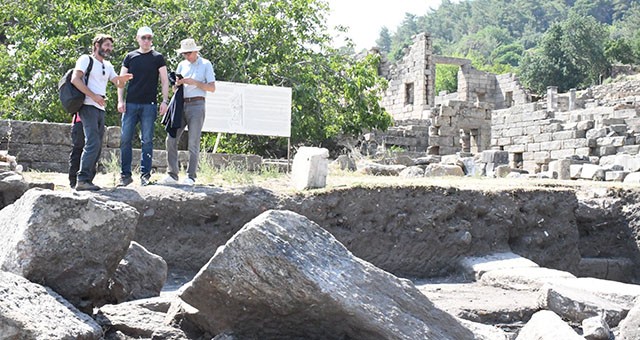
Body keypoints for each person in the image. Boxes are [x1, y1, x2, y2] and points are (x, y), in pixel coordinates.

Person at [71, 34, 132, 191]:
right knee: (92, 142)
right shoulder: (86, 59)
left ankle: (88, 180)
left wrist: (124, 79)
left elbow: (116, 82)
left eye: (110, 46)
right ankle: (82, 179)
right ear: (96, 45)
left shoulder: (108, 65)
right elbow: (75, 79)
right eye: (106, 45)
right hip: (87, 105)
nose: (109, 49)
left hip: (100, 107)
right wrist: (93, 96)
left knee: (97, 145)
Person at [117, 26, 169, 187]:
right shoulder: (130, 56)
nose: (147, 41)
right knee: (125, 139)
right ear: (137, 38)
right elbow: (121, 80)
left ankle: (145, 175)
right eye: (144, 38)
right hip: (131, 103)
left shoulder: (157, 57)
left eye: (149, 38)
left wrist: (165, 101)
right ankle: (125, 175)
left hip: (149, 104)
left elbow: (165, 80)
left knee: (147, 140)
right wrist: (120, 100)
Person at [159, 38, 215, 186]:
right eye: (184, 53)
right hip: (181, 103)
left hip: (197, 104)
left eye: (189, 53)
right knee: (170, 138)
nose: (186, 56)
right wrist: (177, 84)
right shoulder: (182, 65)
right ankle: (172, 174)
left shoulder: (206, 64)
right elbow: (175, 88)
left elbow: (212, 87)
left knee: (193, 141)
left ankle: (191, 176)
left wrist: (194, 82)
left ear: (196, 51)